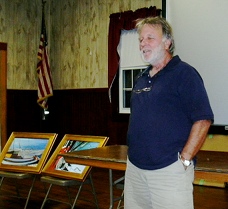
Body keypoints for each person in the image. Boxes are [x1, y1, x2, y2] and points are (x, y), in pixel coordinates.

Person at [124, 16, 214, 209]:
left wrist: (184, 160)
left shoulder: (185, 74)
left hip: (169, 172)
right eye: (140, 39)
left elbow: (203, 119)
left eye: (150, 38)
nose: (143, 44)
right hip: (135, 170)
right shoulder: (141, 78)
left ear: (167, 42)